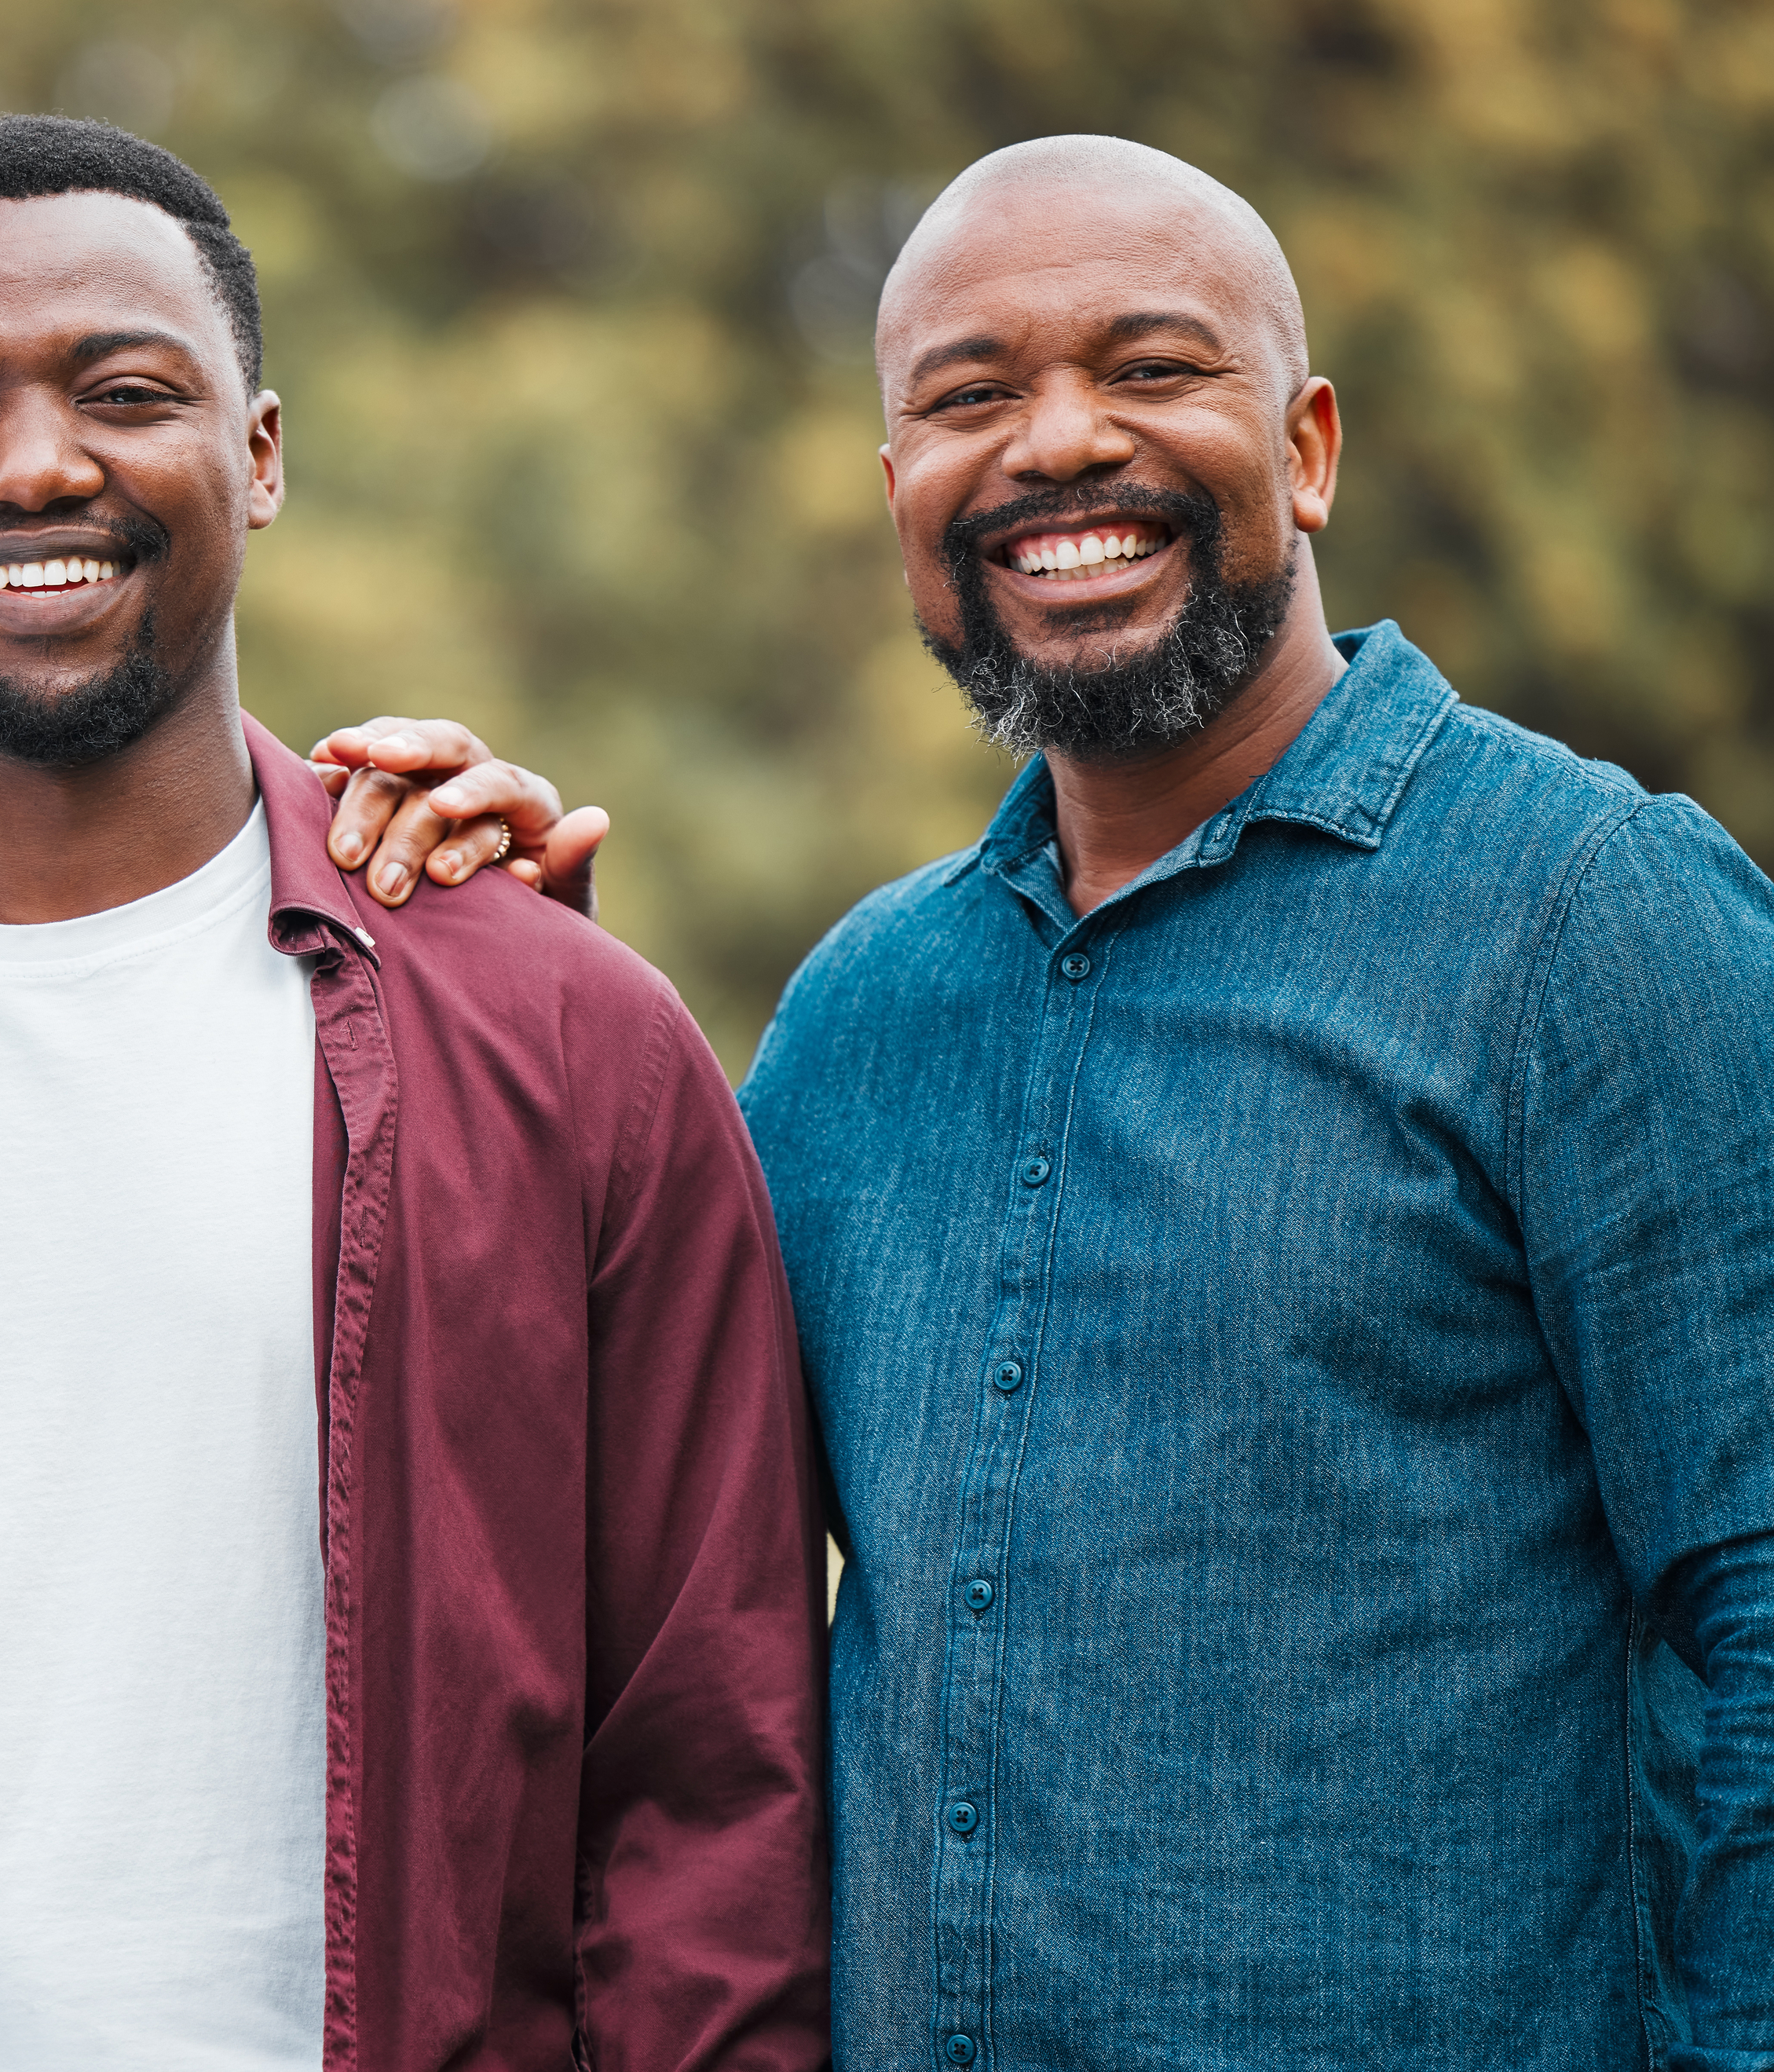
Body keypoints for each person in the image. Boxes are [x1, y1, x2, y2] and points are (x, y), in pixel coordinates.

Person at [320, 136, 1774, 2067]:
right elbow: (645, 1544)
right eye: (968, 396)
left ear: (1308, 445)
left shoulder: (1593, 915)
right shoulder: (857, 1013)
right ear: (899, 495)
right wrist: (522, 1005)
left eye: (1152, 368)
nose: (1054, 445)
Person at [0, 116, 830, 2071]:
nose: (35, 464)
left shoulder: (563, 1036)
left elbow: (711, 1775)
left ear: (257, 455)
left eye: (123, 391)